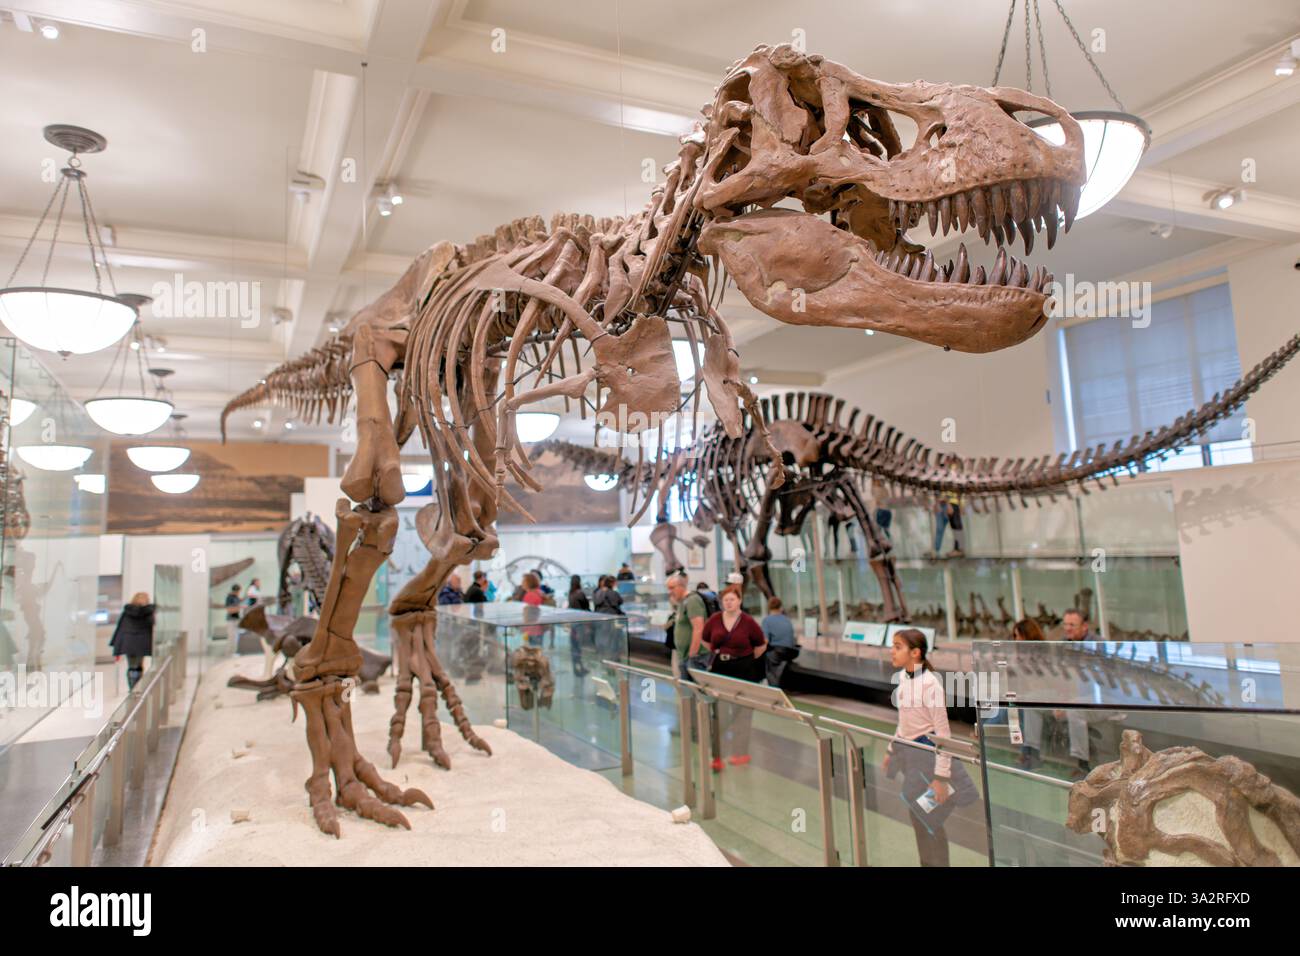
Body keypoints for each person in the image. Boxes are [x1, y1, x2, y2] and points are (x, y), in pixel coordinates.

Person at [884, 628, 978, 866]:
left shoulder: (930, 685)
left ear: (915, 652)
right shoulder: (904, 678)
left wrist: (941, 778)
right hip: (911, 758)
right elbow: (903, 721)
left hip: (929, 762)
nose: (892, 651)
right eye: (892, 645)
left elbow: (942, 733)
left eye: (898, 646)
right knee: (919, 817)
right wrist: (890, 749)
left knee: (929, 819)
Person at [700, 584, 766, 769]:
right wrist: (721, 654)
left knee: (742, 713)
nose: (728, 603)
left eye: (732, 599)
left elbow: (760, 645)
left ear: (739, 601)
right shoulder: (714, 620)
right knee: (719, 714)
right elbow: (706, 640)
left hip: (744, 671)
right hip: (721, 669)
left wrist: (745, 658)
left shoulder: (747, 621)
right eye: (725, 599)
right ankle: (717, 755)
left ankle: (740, 753)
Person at [110, 592, 156, 690]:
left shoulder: (127, 611)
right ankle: (137, 685)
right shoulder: (148, 612)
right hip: (142, 642)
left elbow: (120, 627)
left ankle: (133, 686)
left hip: (128, 642)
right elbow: (152, 624)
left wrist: (116, 643)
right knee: (139, 664)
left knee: (132, 665)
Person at [666, 572, 706, 681]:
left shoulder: (692, 601)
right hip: (684, 657)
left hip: (695, 658)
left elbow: (699, 629)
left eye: (672, 588)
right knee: (687, 693)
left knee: (698, 692)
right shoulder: (682, 603)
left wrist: (692, 656)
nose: (670, 592)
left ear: (681, 586)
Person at [760, 596, 799, 688]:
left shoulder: (767, 620)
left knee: (766, 658)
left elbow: (765, 640)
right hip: (792, 651)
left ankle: (773, 686)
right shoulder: (787, 619)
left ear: (769, 608)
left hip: (778, 652)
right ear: (781, 607)